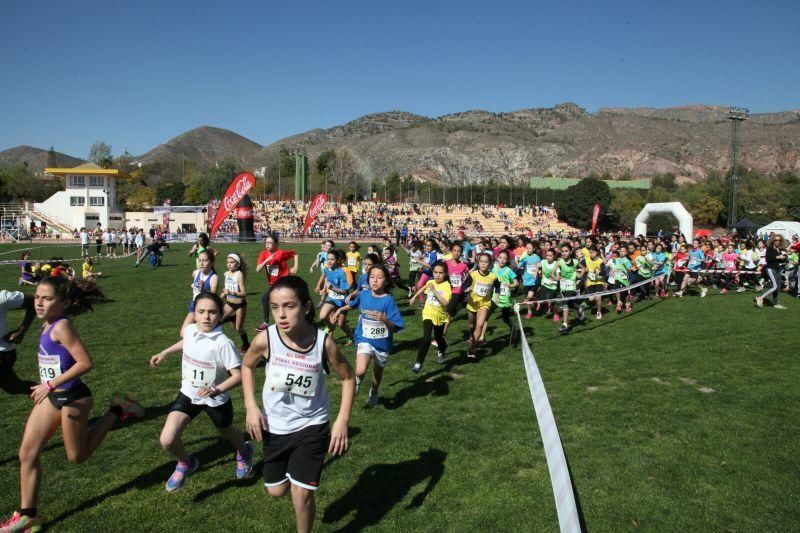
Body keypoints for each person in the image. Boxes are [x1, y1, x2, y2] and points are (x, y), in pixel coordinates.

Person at [1, 278, 143, 532]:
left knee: (77, 456)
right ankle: (28, 515)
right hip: (52, 397)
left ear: (64, 302)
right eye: (37, 297)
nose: (39, 302)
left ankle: (118, 409)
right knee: (27, 452)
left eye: (46, 298)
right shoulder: (47, 323)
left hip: (74, 397)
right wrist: (47, 386)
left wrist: (49, 385)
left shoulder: (62, 326)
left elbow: (85, 363)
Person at [241, 276, 355, 533]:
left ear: (305, 307)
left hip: (312, 423)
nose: (281, 315)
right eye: (275, 307)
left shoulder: (323, 343)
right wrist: (250, 406)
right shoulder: (265, 340)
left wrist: (341, 421)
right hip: (275, 424)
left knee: (301, 495)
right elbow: (247, 366)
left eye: (289, 306)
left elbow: (348, 378)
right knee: (276, 490)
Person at [149, 292, 254, 493]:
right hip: (189, 393)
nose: (206, 317)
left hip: (216, 399)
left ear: (220, 314)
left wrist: (216, 390)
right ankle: (186, 462)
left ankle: (244, 451)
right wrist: (165, 353)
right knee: (167, 439)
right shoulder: (190, 331)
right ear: (194, 314)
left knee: (227, 430)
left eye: (212, 312)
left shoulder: (223, 343)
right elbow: (186, 343)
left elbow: (238, 375)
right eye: (201, 312)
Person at [332, 264, 404, 407]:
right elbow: (353, 305)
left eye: (379, 278)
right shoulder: (364, 294)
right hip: (364, 338)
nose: (375, 281)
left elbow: (396, 328)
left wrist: (384, 319)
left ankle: (374, 391)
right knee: (360, 370)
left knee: (377, 375)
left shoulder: (388, 300)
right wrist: (340, 309)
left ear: (386, 281)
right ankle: (357, 381)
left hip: (382, 344)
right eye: (372, 277)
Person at [409, 261, 451, 372]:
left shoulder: (446, 286)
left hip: (440, 316)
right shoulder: (431, 282)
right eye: (435, 272)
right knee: (426, 338)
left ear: (445, 274)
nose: (437, 275)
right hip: (428, 313)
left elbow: (445, 303)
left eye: (440, 273)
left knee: (438, 338)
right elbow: (424, 287)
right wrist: (414, 297)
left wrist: (434, 290)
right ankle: (419, 362)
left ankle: (442, 349)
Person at [255, 234, 298, 332]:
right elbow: (257, 269)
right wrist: (267, 260)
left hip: (282, 280)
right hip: (272, 283)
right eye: (266, 243)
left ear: (276, 244)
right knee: (283, 301)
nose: (268, 245)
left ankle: (266, 323)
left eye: (270, 243)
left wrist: (295, 266)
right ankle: (292, 319)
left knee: (265, 298)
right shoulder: (263, 254)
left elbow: (294, 254)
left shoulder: (281, 253)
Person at [0, 289, 36, 395]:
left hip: (2, 354)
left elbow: (34, 301)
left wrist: (21, 331)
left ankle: (49, 396)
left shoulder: (2, 297)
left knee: (14, 387)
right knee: (13, 388)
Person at [316, 250, 353, 339]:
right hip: (331, 298)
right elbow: (327, 280)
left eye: (332, 259)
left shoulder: (341, 273)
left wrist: (332, 288)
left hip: (342, 300)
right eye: (328, 259)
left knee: (341, 324)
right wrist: (324, 289)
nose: (329, 261)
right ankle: (331, 327)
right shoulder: (326, 269)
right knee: (322, 316)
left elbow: (344, 291)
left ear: (337, 260)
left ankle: (351, 337)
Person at [181, 250, 219, 336]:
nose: (201, 263)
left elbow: (213, 295)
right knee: (184, 333)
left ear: (212, 262)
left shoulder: (214, 277)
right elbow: (194, 281)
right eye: (200, 260)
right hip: (194, 305)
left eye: (205, 261)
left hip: (206, 308)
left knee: (185, 333)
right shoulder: (196, 273)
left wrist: (203, 291)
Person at [221, 253, 250, 353]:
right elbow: (225, 290)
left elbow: (244, 293)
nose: (229, 264)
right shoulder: (226, 274)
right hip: (229, 304)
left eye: (232, 262)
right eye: (227, 262)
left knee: (238, 329)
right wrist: (218, 298)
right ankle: (232, 318)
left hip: (239, 305)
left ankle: (246, 345)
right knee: (218, 321)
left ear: (238, 264)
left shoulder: (239, 275)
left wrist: (231, 292)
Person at [492, 249, 520, 341]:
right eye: (500, 258)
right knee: (486, 315)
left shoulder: (509, 270)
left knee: (505, 318)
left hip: (505, 297)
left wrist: (509, 285)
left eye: (505, 259)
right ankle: (481, 336)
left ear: (507, 260)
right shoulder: (494, 269)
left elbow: (516, 283)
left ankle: (513, 329)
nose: (502, 260)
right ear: (497, 258)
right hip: (495, 296)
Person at [756, 235, 788, 309]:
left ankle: (775, 303)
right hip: (770, 268)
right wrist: (778, 257)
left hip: (778, 269)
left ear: (781, 241)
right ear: (773, 241)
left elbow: (784, 259)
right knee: (775, 286)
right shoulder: (770, 248)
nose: (777, 241)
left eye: (779, 240)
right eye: (775, 240)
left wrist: (784, 257)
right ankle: (760, 298)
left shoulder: (780, 249)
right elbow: (768, 259)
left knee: (777, 287)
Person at [582, 246, 607, 320]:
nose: (591, 254)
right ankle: (583, 306)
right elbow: (579, 265)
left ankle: (599, 312)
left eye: (593, 252)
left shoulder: (600, 261)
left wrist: (599, 272)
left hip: (599, 281)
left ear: (597, 253)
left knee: (598, 297)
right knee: (591, 299)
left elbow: (605, 273)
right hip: (590, 281)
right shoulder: (586, 259)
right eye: (590, 252)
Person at [517, 241, 541, 319]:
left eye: (530, 248)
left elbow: (539, 266)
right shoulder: (525, 258)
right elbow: (519, 266)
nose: (528, 249)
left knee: (529, 296)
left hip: (534, 281)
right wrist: (517, 266)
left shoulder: (537, 257)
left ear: (533, 249)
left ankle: (534, 301)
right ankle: (529, 312)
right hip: (526, 281)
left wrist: (536, 271)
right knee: (529, 298)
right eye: (527, 248)